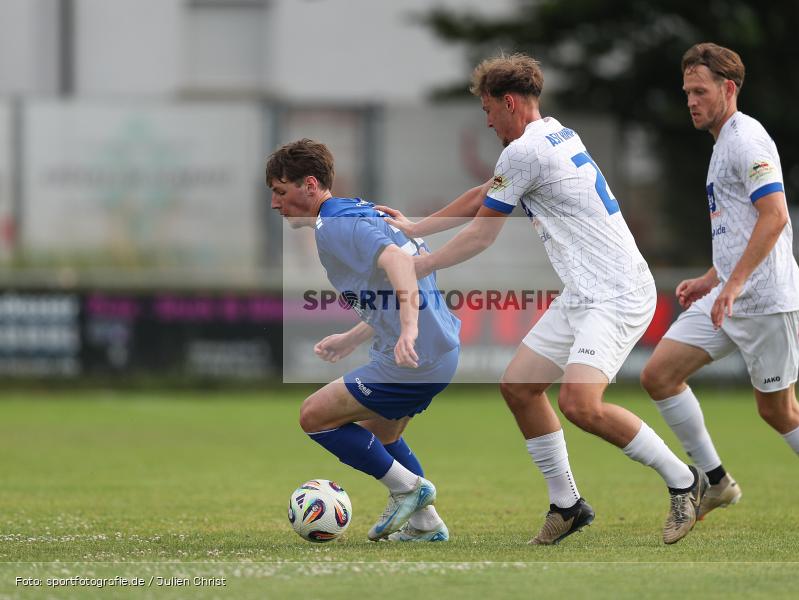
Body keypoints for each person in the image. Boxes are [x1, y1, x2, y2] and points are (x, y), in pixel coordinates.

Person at [377, 53, 707, 545]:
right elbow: (485, 193)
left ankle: (687, 481)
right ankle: (568, 505)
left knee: (580, 403)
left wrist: (420, 265)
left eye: (489, 110)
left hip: (614, 294)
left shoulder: (524, 152)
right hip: (586, 292)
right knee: (519, 386)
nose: (487, 121)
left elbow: (481, 236)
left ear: (509, 102)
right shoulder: (554, 132)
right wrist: (416, 227)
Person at [640, 43, 799, 530]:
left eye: (700, 91)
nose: (691, 100)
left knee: (777, 409)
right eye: (686, 92)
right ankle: (716, 481)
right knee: (659, 374)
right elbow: (740, 225)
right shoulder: (722, 141)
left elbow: (775, 216)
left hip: (765, 299)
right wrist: (712, 278)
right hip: (729, 295)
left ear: (729, 89)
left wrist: (733, 284)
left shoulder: (747, 140)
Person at [268, 138, 461, 542]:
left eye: (280, 191)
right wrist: (352, 336)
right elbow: (389, 286)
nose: (275, 203)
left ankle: (409, 489)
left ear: (309, 184)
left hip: (414, 354)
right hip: (438, 348)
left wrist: (408, 328)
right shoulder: (360, 210)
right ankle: (426, 524)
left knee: (314, 416)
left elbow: (397, 264)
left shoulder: (337, 225)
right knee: (384, 436)